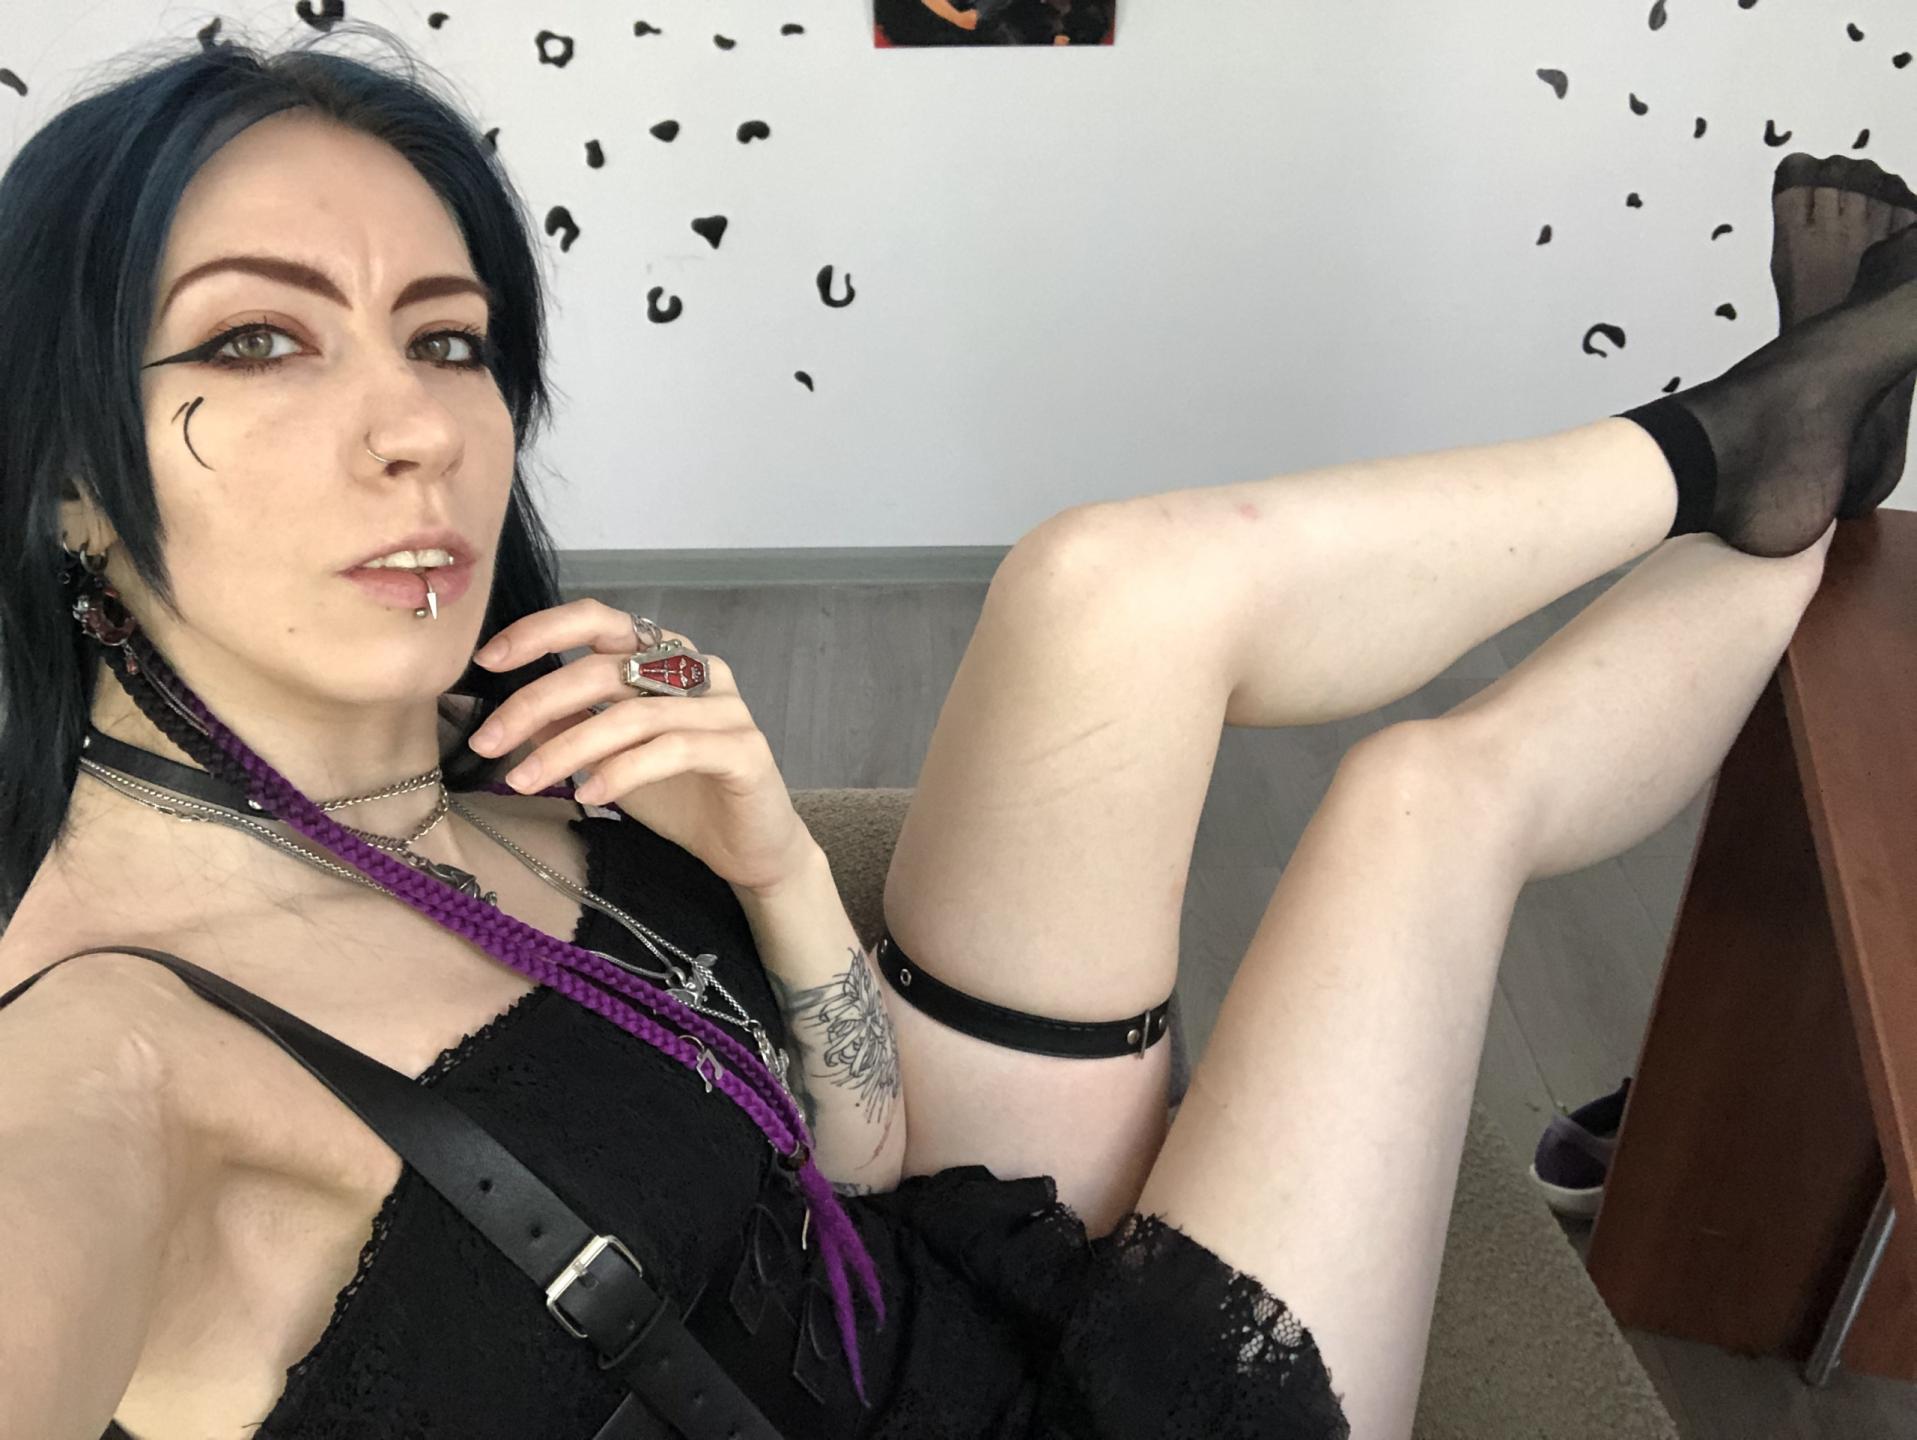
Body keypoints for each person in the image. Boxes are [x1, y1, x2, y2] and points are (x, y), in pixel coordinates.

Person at [0, 21, 1908, 1440]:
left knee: (1102, 587)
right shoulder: (104, 1048)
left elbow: (855, 1145)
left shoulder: (496, 748)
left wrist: (768, 864)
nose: (416, 427)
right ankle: (1787, 456)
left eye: (447, 338)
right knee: (1426, 798)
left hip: (920, 1266)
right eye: (254, 341)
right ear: (61, 470)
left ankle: (1770, 443)